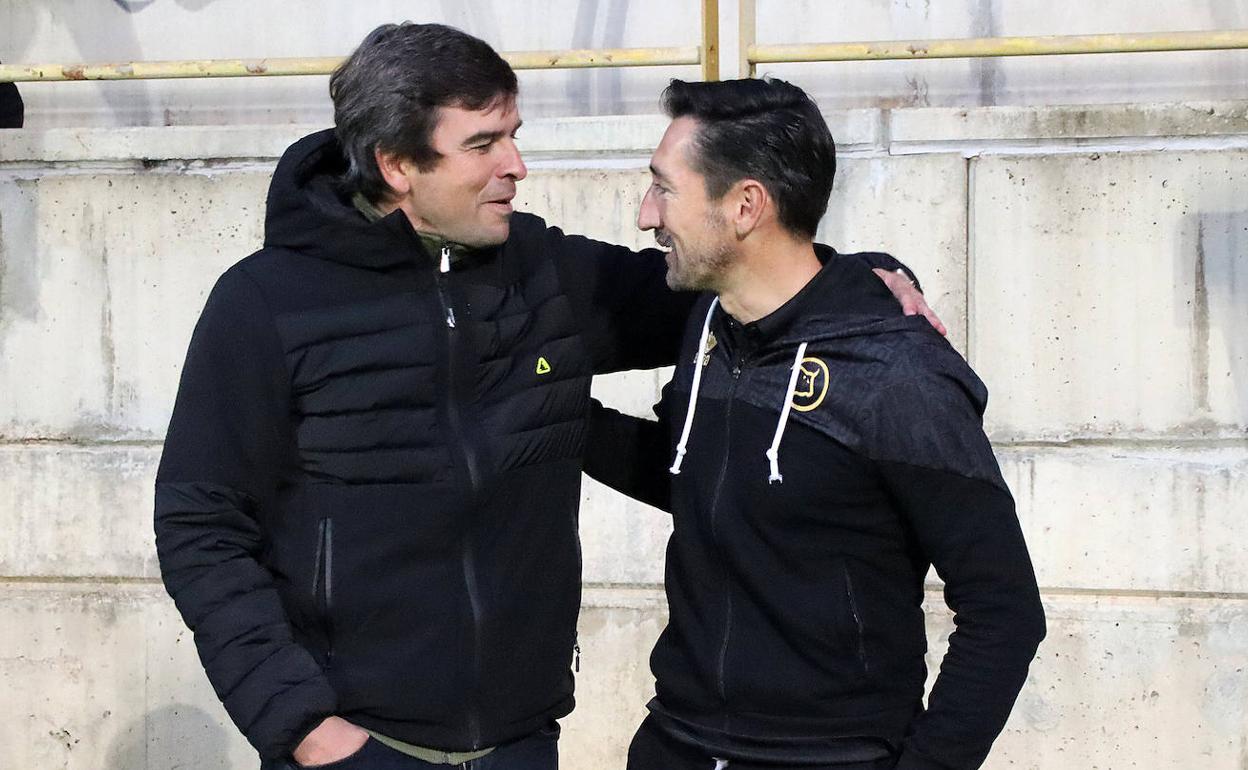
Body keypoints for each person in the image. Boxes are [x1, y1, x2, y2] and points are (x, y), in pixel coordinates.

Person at [153, 24, 937, 770]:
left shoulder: (543, 272)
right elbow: (200, 524)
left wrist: (859, 273)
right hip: (352, 745)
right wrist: (304, 728)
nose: (517, 165)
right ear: (397, 164)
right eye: (484, 143)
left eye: (513, 134)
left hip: (522, 742)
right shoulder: (265, 303)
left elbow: (728, 274)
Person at [585, 77, 1046, 770]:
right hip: (676, 743)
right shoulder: (708, 327)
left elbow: (1005, 611)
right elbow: (698, 475)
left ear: (745, 206)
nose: (647, 215)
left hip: (831, 755)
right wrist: (559, 419)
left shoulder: (895, 371)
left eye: (664, 188)